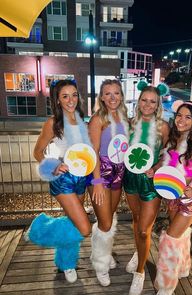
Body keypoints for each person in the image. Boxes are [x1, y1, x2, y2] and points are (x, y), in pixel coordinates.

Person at [25, 79, 92, 283]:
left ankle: (67, 263)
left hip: (82, 177)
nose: (71, 100)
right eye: (65, 96)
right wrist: (53, 166)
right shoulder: (53, 123)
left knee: (73, 222)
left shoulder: (82, 119)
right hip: (63, 178)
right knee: (85, 228)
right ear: (58, 100)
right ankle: (39, 229)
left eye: (74, 95)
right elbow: (37, 151)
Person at [154, 100, 192, 295]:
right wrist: (154, 170)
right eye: (179, 115)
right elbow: (166, 166)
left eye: (188, 117)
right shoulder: (173, 140)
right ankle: (183, 268)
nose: (182, 120)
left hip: (190, 200)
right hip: (172, 197)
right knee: (179, 235)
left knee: (170, 239)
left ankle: (165, 286)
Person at [123, 82, 169, 295]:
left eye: (153, 101)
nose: (147, 105)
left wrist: (157, 167)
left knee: (144, 229)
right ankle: (140, 251)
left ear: (158, 104)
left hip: (151, 182)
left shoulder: (163, 127)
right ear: (138, 101)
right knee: (136, 219)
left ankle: (140, 272)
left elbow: (166, 155)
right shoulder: (130, 123)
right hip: (130, 180)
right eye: (144, 100)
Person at [87, 79, 129, 287]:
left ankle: (102, 252)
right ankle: (100, 265)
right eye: (108, 94)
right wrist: (96, 181)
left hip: (119, 172)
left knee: (109, 220)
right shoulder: (97, 119)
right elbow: (93, 151)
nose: (112, 97)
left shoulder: (124, 117)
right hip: (100, 173)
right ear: (101, 97)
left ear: (121, 95)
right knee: (104, 223)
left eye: (116, 93)